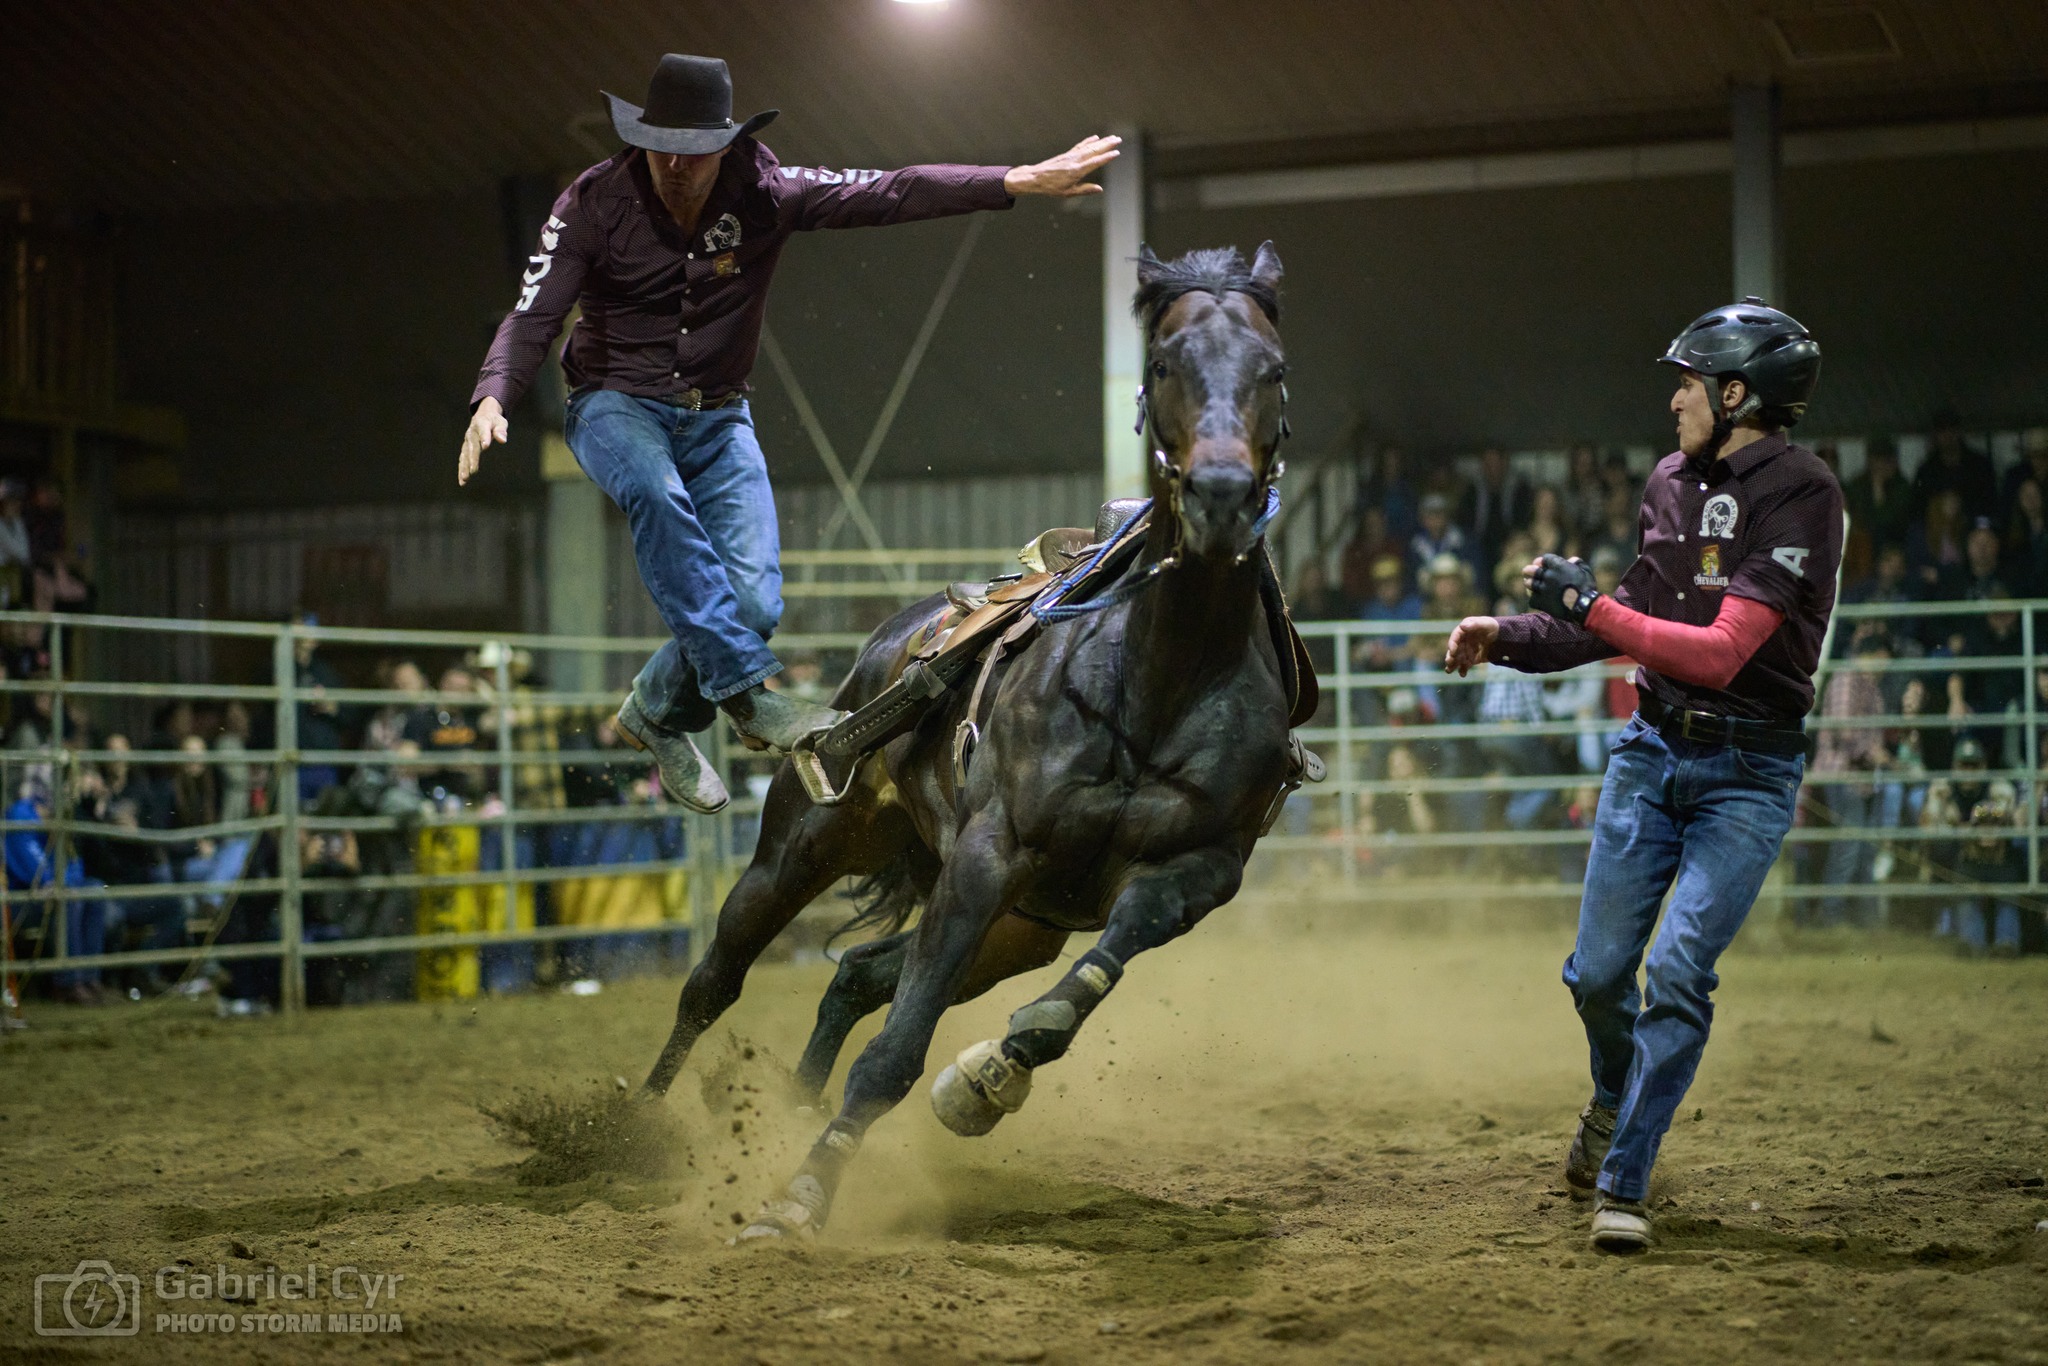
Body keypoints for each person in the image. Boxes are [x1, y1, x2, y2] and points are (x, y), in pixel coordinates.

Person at [457, 53, 1117, 814]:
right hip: (614, 402)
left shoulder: (768, 191)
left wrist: (1012, 181)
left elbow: (890, 191)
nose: (676, 166)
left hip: (719, 414)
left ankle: (655, 712)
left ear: (726, 146)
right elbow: (533, 313)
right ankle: (750, 698)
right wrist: (494, 395)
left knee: (753, 602)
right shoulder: (592, 202)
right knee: (655, 492)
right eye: (661, 148)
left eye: (694, 151)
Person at [1444, 297, 1834, 1252]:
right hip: (1652, 750)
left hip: (1748, 772)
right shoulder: (1671, 481)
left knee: (1677, 971)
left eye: (1689, 382)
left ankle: (1626, 1176)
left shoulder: (1803, 492)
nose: (1674, 399)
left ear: (1736, 394)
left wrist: (1588, 605)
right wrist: (1512, 636)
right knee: (1598, 976)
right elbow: (1629, 610)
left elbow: (1721, 653)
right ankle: (1615, 1093)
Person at [1457, 445, 1531, 586]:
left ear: (1505, 464)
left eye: (1496, 463)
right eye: (1489, 464)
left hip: (1510, 544)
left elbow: (1523, 522)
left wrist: (1513, 542)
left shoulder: (1519, 488)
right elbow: (1465, 523)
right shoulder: (1472, 490)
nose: (1493, 469)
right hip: (1480, 544)